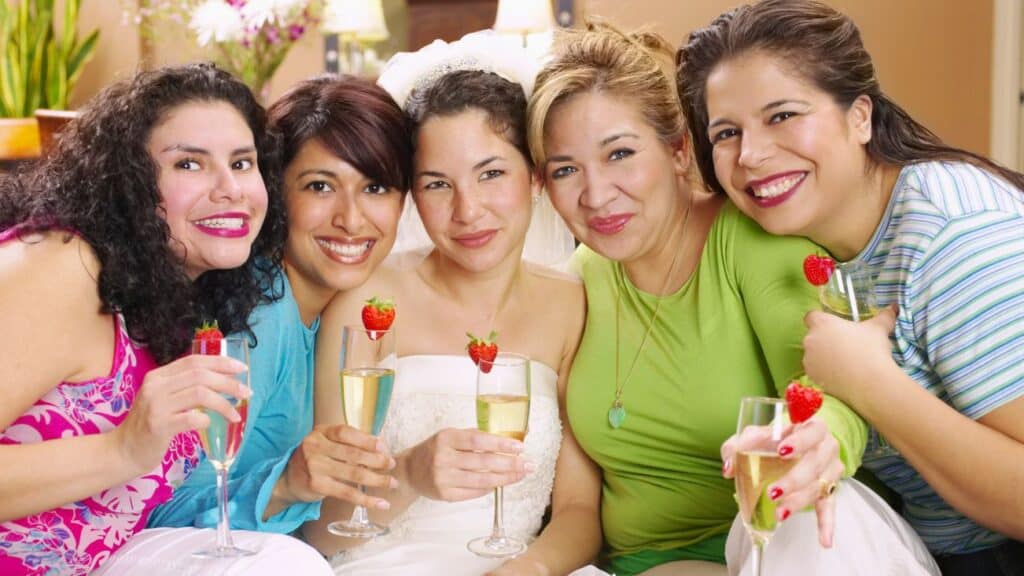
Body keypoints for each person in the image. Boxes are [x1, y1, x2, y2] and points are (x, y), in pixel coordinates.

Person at [528, 21, 938, 576]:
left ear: (677, 152)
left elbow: (828, 391)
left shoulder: (748, 242)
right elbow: (577, 505)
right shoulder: (577, 280)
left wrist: (823, 442)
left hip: (778, 545)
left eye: (620, 153)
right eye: (566, 169)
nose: (596, 195)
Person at [676, 1, 1024, 574]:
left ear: (859, 116)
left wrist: (866, 380)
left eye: (783, 115)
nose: (752, 155)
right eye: (728, 132)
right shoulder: (831, 247)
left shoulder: (953, 237)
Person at [305, 32, 603, 576]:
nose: (467, 211)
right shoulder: (366, 302)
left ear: (535, 177)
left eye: (491, 174)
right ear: (413, 195)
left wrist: (529, 569)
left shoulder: (573, 305)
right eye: (437, 184)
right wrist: (410, 475)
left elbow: (580, 511)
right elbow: (322, 529)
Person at [99, 75, 413, 574]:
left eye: (375, 187)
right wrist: (285, 483)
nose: (352, 219)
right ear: (275, 192)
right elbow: (151, 513)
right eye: (320, 186)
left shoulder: (342, 310)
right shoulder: (256, 316)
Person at [0, 63, 282, 575]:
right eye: (189, 165)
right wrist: (122, 448)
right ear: (126, 180)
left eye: (242, 163)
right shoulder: (65, 267)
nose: (231, 189)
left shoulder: (179, 290)